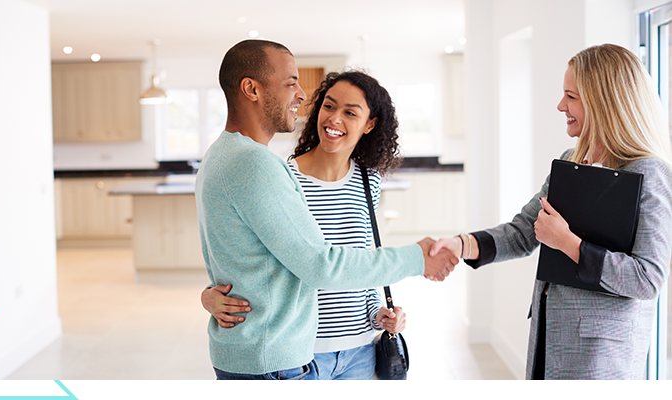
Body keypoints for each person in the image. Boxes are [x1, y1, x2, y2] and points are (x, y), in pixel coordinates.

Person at [195, 39, 457, 380]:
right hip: (281, 354)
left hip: (319, 349)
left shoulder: (226, 155)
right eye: (291, 83)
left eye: (351, 112)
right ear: (251, 89)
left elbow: (247, 253)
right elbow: (320, 264)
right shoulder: (263, 167)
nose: (302, 95)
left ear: (370, 124)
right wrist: (417, 258)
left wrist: (377, 310)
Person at [431, 43, 672, 380]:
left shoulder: (650, 173)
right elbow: (522, 233)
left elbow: (647, 278)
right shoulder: (572, 161)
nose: (561, 106)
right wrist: (462, 244)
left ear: (603, 101)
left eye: (571, 97)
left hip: (601, 356)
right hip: (550, 338)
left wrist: (569, 244)